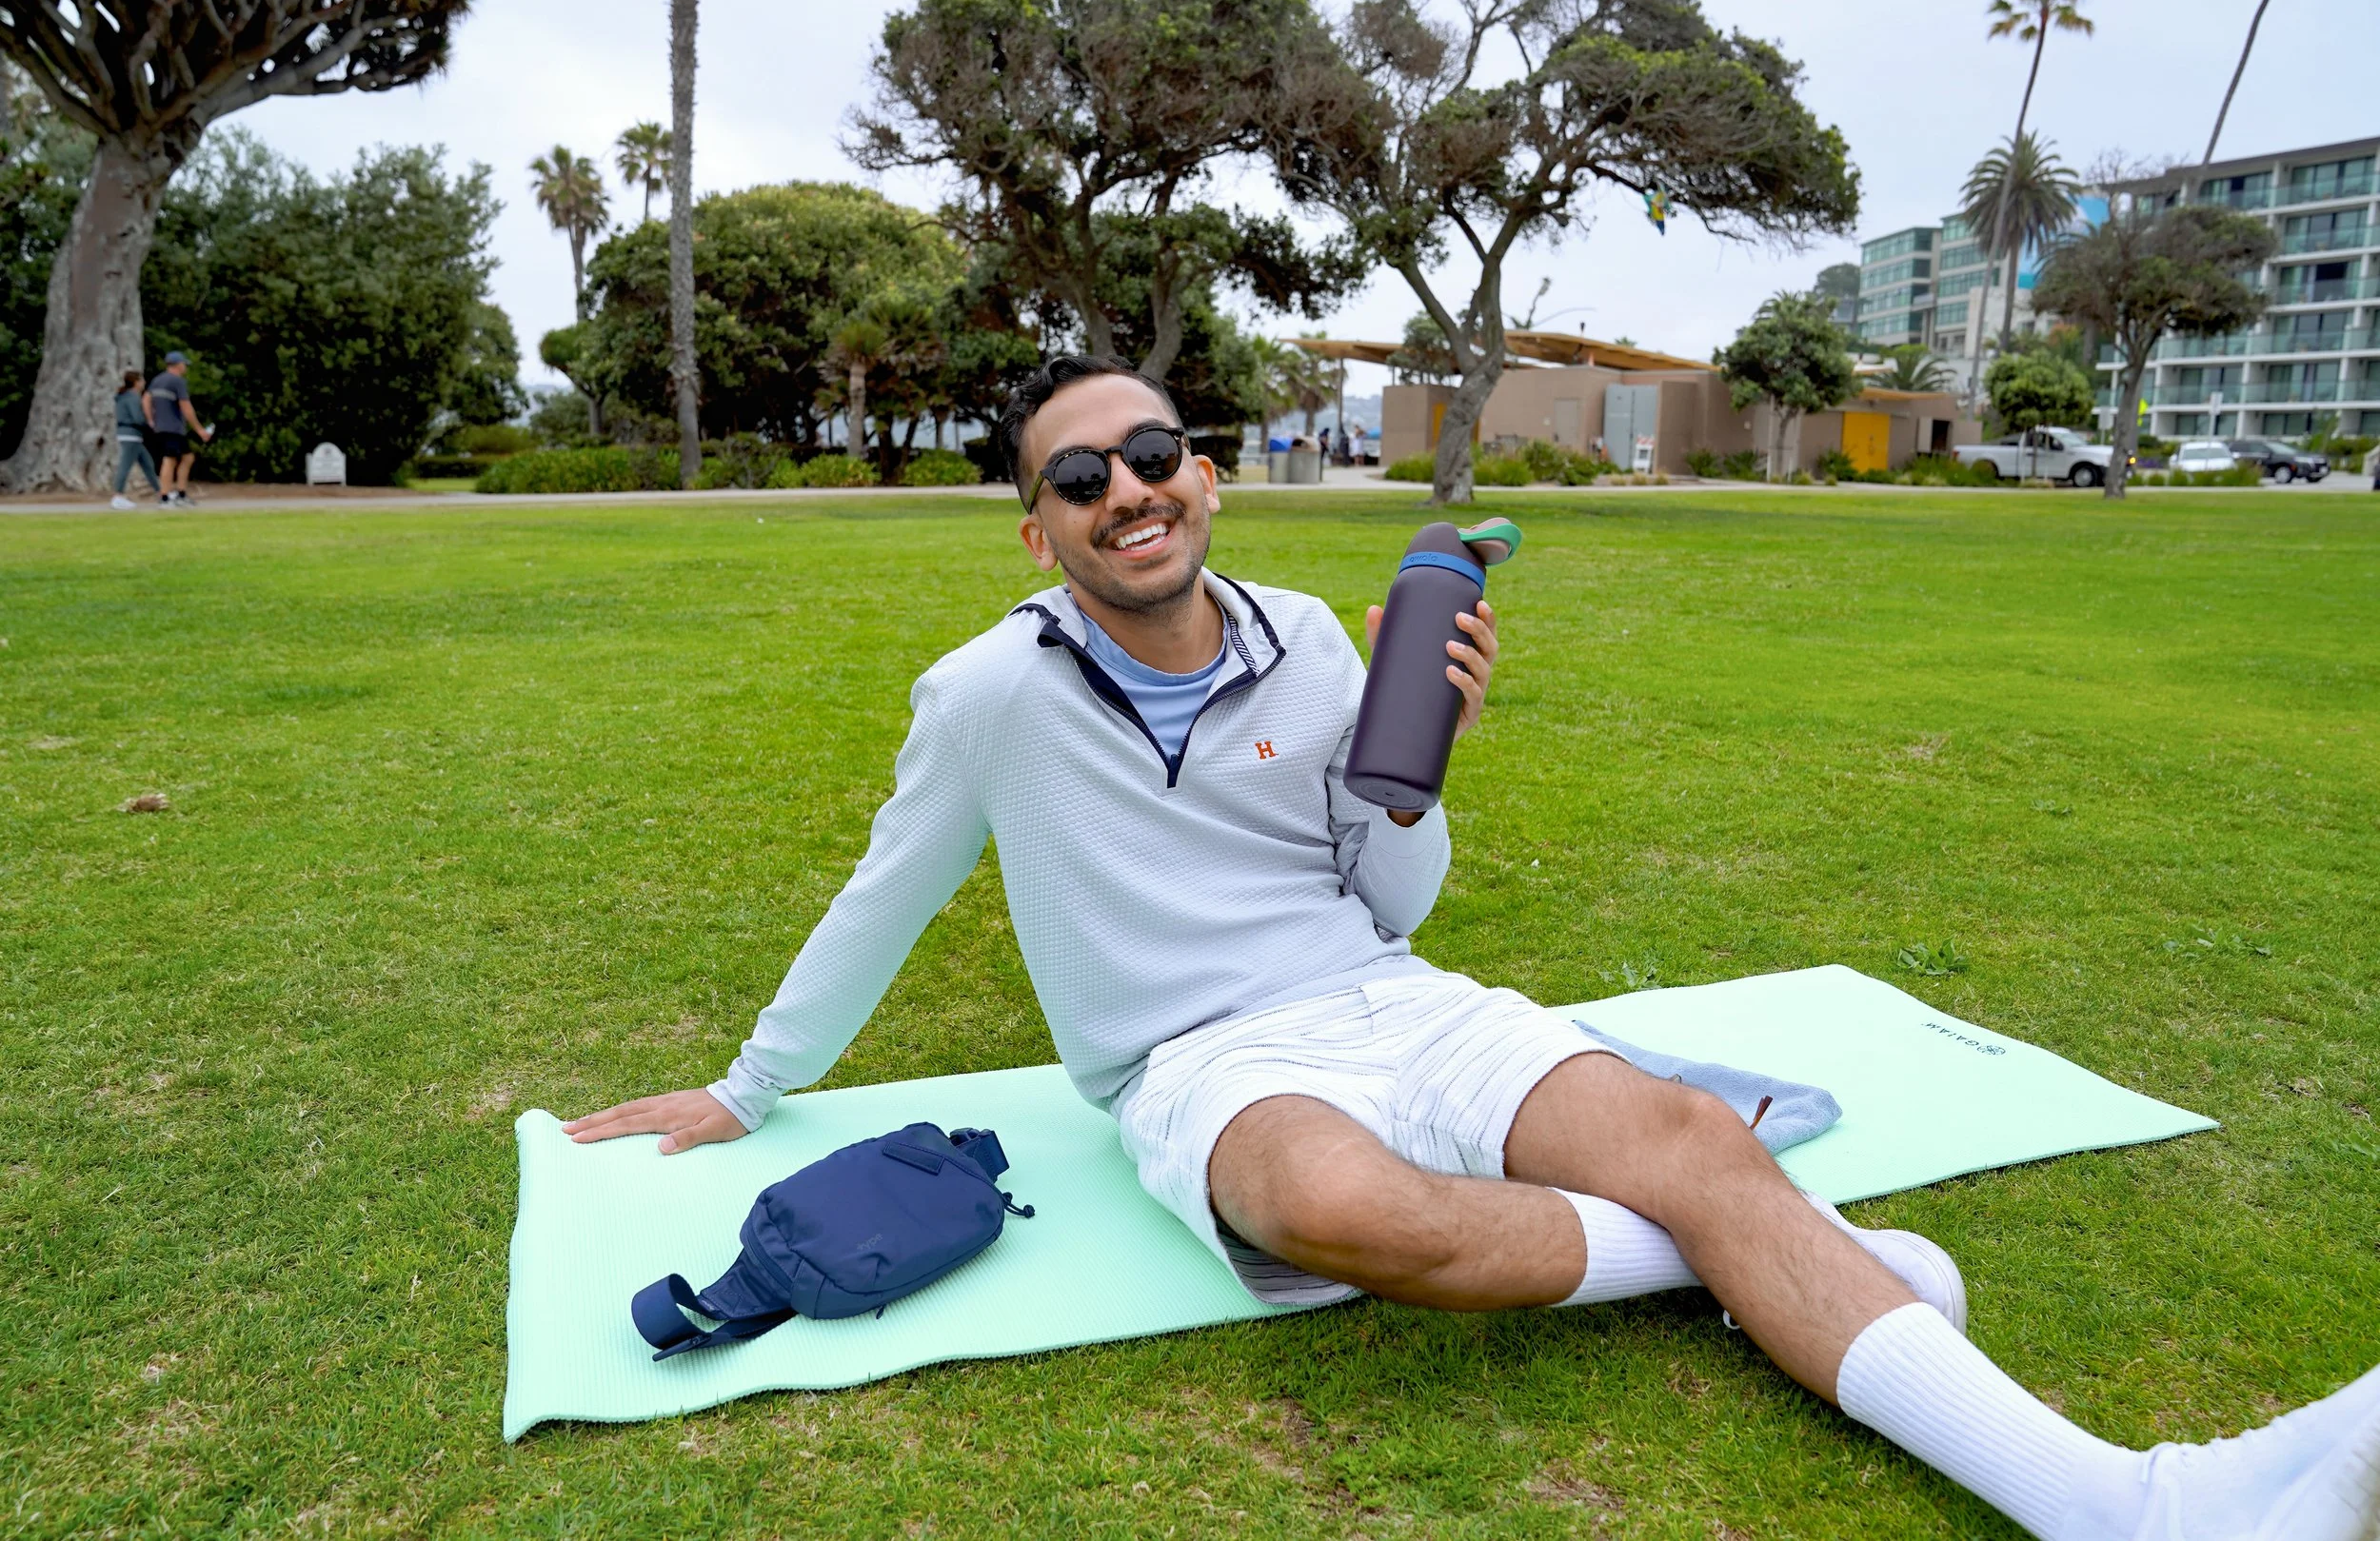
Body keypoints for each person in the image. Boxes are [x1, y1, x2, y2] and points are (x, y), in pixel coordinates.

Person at [567, 354, 2380, 1541]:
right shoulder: (985, 699)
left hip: (1392, 994)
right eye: (1079, 477)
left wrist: (1429, 772)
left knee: (1691, 1134)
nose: (1129, 493)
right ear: (1034, 519)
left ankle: (2140, 1503)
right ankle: (1789, 1267)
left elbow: (1396, 902)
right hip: (1206, 1064)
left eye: (1152, 454)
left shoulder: (1314, 636)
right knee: (1351, 1217)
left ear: (1201, 472)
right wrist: (749, 1089)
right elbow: (882, 889)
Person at [145, 351, 211, 507]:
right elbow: (186, 406)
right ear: (178, 365)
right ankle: (164, 497)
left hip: (162, 427)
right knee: (170, 460)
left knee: (188, 457)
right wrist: (199, 429)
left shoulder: (157, 380)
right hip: (173, 428)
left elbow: (146, 399)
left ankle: (181, 494)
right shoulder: (177, 381)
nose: (185, 367)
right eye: (184, 364)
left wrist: (151, 419)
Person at [109, 369, 161, 509]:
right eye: (142, 380)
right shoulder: (133, 397)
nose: (144, 383)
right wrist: (149, 421)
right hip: (131, 434)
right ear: (136, 382)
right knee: (125, 465)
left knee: (147, 464)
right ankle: (118, 496)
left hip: (129, 435)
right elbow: (137, 417)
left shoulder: (122, 396)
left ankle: (161, 493)